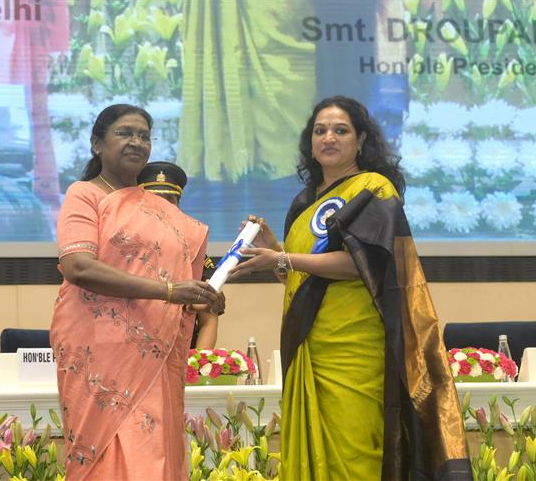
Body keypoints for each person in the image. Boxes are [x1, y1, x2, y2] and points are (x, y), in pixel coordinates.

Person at [229, 96, 471, 479]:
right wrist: (276, 251)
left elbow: (365, 265)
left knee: (356, 452)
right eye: (320, 130)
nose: (328, 137)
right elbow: (297, 279)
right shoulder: (304, 202)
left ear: (360, 140)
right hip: (309, 346)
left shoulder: (373, 189)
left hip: (355, 350)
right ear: (310, 142)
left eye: (341, 130)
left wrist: (285, 259)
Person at [50, 104, 224, 480]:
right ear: (97, 143)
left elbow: (184, 289)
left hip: (154, 352)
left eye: (144, 136)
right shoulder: (85, 195)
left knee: (153, 450)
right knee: (110, 450)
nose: (136, 142)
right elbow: (78, 267)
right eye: (125, 133)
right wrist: (168, 291)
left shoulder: (161, 212)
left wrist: (204, 298)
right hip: (97, 351)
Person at [137, 160, 220, 349]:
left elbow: (208, 319)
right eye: (154, 200)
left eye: (169, 200)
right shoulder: (123, 248)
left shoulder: (195, 252)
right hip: (132, 347)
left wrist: (198, 364)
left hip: (181, 351)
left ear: (178, 206)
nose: (162, 207)